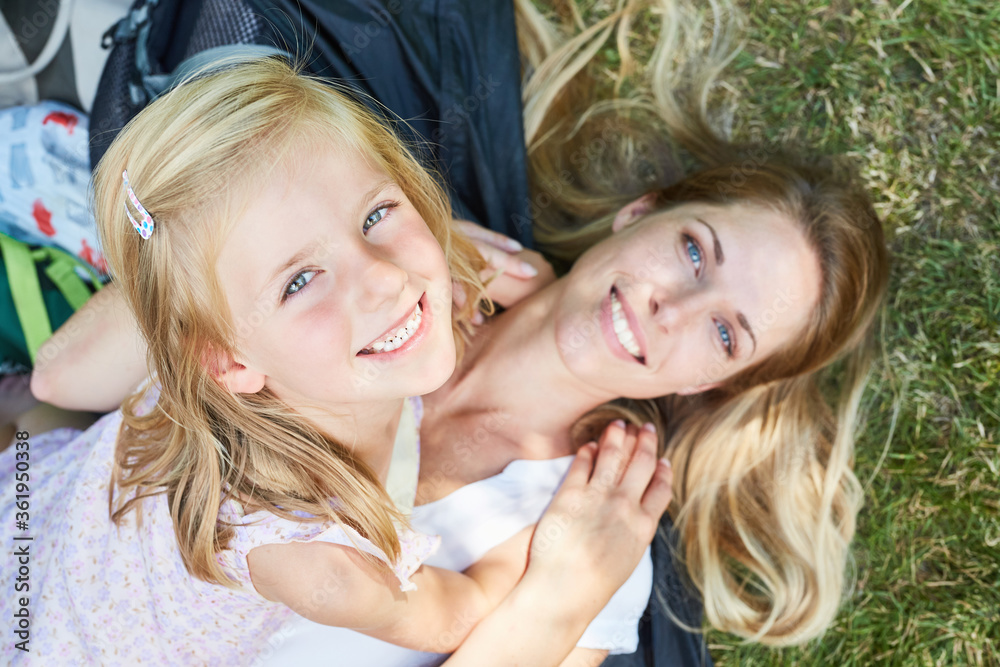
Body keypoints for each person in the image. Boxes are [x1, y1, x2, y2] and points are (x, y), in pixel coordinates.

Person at [0, 58, 674, 665]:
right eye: (299, 281)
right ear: (228, 363)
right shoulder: (315, 556)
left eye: (376, 215)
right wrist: (567, 572)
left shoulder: (246, 364)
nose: (382, 279)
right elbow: (461, 609)